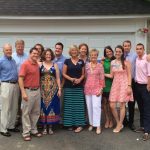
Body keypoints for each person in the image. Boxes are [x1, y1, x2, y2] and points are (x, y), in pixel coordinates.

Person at [105, 45, 133, 133]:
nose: (117, 53)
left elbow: (129, 75)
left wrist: (129, 86)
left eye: (119, 51)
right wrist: (103, 73)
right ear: (115, 52)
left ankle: (120, 124)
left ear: (122, 52)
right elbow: (111, 75)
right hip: (115, 84)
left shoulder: (126, 62)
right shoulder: (112, 62)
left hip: (124, 84)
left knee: (122, 105)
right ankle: (118, 122)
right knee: (112, 105)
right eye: (116, 51)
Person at [19, 47, 42, 141]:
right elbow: (20, 78)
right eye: (34, 53)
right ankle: (26, 132)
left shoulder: (37, 64)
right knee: (26, 113)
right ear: (30, 53)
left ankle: (33, 129)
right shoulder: (25, 64)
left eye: (37, 54)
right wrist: (23, 92)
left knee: (36, 112)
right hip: (28, 91)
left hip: (37, 91)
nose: (35, 55)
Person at [62, 45, 86, 133]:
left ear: (77, 51)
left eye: (75, 50)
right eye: (72, 50)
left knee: (78, 106)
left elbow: (83, 74)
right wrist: (71, 79)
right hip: (68, 87)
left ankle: (79, 125)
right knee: (69, 106)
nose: (74, 52)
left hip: (79, 87)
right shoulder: (67, 61)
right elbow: (63, 73)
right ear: (70, 52)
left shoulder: (81, 61)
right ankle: (69, 124)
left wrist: (80, 79)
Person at [39, 48, 61, 135]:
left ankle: (50, 127)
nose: (48, 56)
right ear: (44, 55)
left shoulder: (54, 65)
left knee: (52, 107)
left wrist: (59, 89)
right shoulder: (40, 64)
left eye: (49, 54)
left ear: (51, 56)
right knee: (43, 107)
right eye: (46, 54)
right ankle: (44, 127)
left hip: (53, 90)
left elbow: (58, 78)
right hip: (42, 91)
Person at [0, 43, 20, 137]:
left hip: (15, 85)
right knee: (5, 108)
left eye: (10, 49)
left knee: (14, 107)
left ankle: (11, 126)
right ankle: (3, 129)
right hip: (6, 85)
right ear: (3, 50)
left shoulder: (13, 60)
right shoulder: (1, 60)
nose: (9, 51)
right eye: (7, 50)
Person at [84, 49, 105, 134]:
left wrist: (101, 89)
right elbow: (85, 77)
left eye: (95, 55)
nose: (93, 56)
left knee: (96, 107)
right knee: (89, 107)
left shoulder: (100, 66)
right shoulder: (87, 65)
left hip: (97, 88)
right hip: (88, 88)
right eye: (92, 55)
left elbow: (102, 78)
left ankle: (98, 125)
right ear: (90, 56)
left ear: (97, 56)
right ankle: (91, 124)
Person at [134, 43, 150, 141]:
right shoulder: (136, 59)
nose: (139, 50)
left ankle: (147, 131)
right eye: (137, 49)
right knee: (141, 108)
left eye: (140, 49)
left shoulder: (147, 59)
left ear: (144, 50)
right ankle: (142, 126)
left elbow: (149, 74)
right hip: (137, 86)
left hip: (145, 87)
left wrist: (148, 85)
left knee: (147, 109)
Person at [12, 40, 28, 126]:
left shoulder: (27, 56)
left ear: (24, 46)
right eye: (18, 45)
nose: (20, 47)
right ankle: (16, 120)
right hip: (15, 82)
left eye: (21, 45)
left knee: (25, 102)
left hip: (26, 83)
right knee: (16, 102)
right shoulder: (12, 56)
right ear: (15, 46)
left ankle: (23, 119)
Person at [123, 40, 137, 130]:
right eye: (125, 46)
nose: (126, 47)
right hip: (122, 82)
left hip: (132, 81)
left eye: (128, 45)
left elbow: (143, 57)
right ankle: (124, 121)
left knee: (131, 103)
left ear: (130, 46)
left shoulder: (134, 55)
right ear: (123, 46)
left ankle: (131, 122)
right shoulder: (120, 55)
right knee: (122, 102)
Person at [102, 46, 115, 129]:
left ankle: (111, 119)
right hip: (104, 85)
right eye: (107, 52)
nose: (109, 53)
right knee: (104, 104)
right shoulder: (103, 61)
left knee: (111, 104)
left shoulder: (115, 61)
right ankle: (107, 119)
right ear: (105, 53)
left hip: (112, 85)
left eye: (110, 51)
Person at [53, 42, 66, 124]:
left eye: (59, 48)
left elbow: (65, 74)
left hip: (61, 85)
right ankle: (52, 120)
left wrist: (61, 86)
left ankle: (60, 120)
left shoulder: (65, 60)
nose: (57, 50)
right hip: (50, 86)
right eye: (56, 48)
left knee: (61, 104)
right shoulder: (50, 58)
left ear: (62, 50)